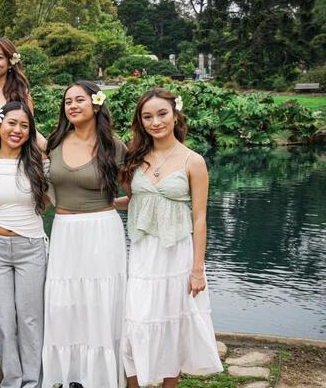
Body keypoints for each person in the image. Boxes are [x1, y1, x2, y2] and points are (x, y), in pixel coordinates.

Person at [119, 88, 222, 388]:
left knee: (173, 324)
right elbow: (135, 200)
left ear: (175, 114)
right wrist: (96, 206)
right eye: (147, 117)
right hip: (142, 252)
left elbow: (199, 217)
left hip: (177, 253)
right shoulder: (134, 158)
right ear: (141, 122)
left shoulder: (194, 161)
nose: (156, 122)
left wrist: (197, 269)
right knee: (135, 323)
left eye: (162, 114)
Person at [42, 81, 128, 388]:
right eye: (67, 102)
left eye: (79, 100)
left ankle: (100, 379)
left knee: (100, 302)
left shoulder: (114, 146)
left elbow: (136, 194)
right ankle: (69, 377)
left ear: (96, 104)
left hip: (102, 232)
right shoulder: (53, 142)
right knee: (64, 304)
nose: (73, 106)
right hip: (65, 232)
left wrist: (109, 205)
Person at [0, 102, 49, 388]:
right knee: (3, 319)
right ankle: (12, 381)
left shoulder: (39, 163)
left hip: (31, 247)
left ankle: (33, 382)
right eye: (11, 123)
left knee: (30, 319)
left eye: (24, 126)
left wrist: (34, 129)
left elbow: (51, 154)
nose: (17, 130)